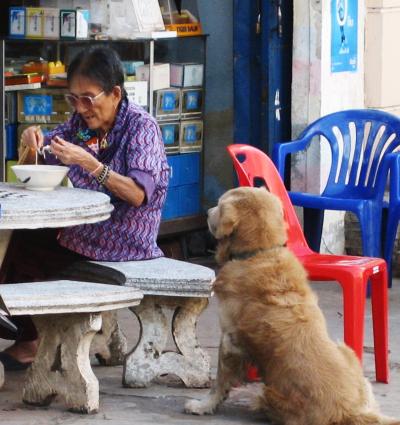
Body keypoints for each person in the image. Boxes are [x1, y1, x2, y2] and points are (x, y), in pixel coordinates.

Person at [0, 46, 169, 370]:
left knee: (31, 246)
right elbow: (46, 151)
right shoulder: (80, 125)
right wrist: (31, 141)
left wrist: (91, 165)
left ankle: (29, 339)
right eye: (74, 99)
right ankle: (27, 333)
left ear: (115, 93)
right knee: (22, 238)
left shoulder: (141, 127)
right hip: (87, 228)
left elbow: (137, 194)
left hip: (125, 238)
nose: (81, 107)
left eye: (88, 98)